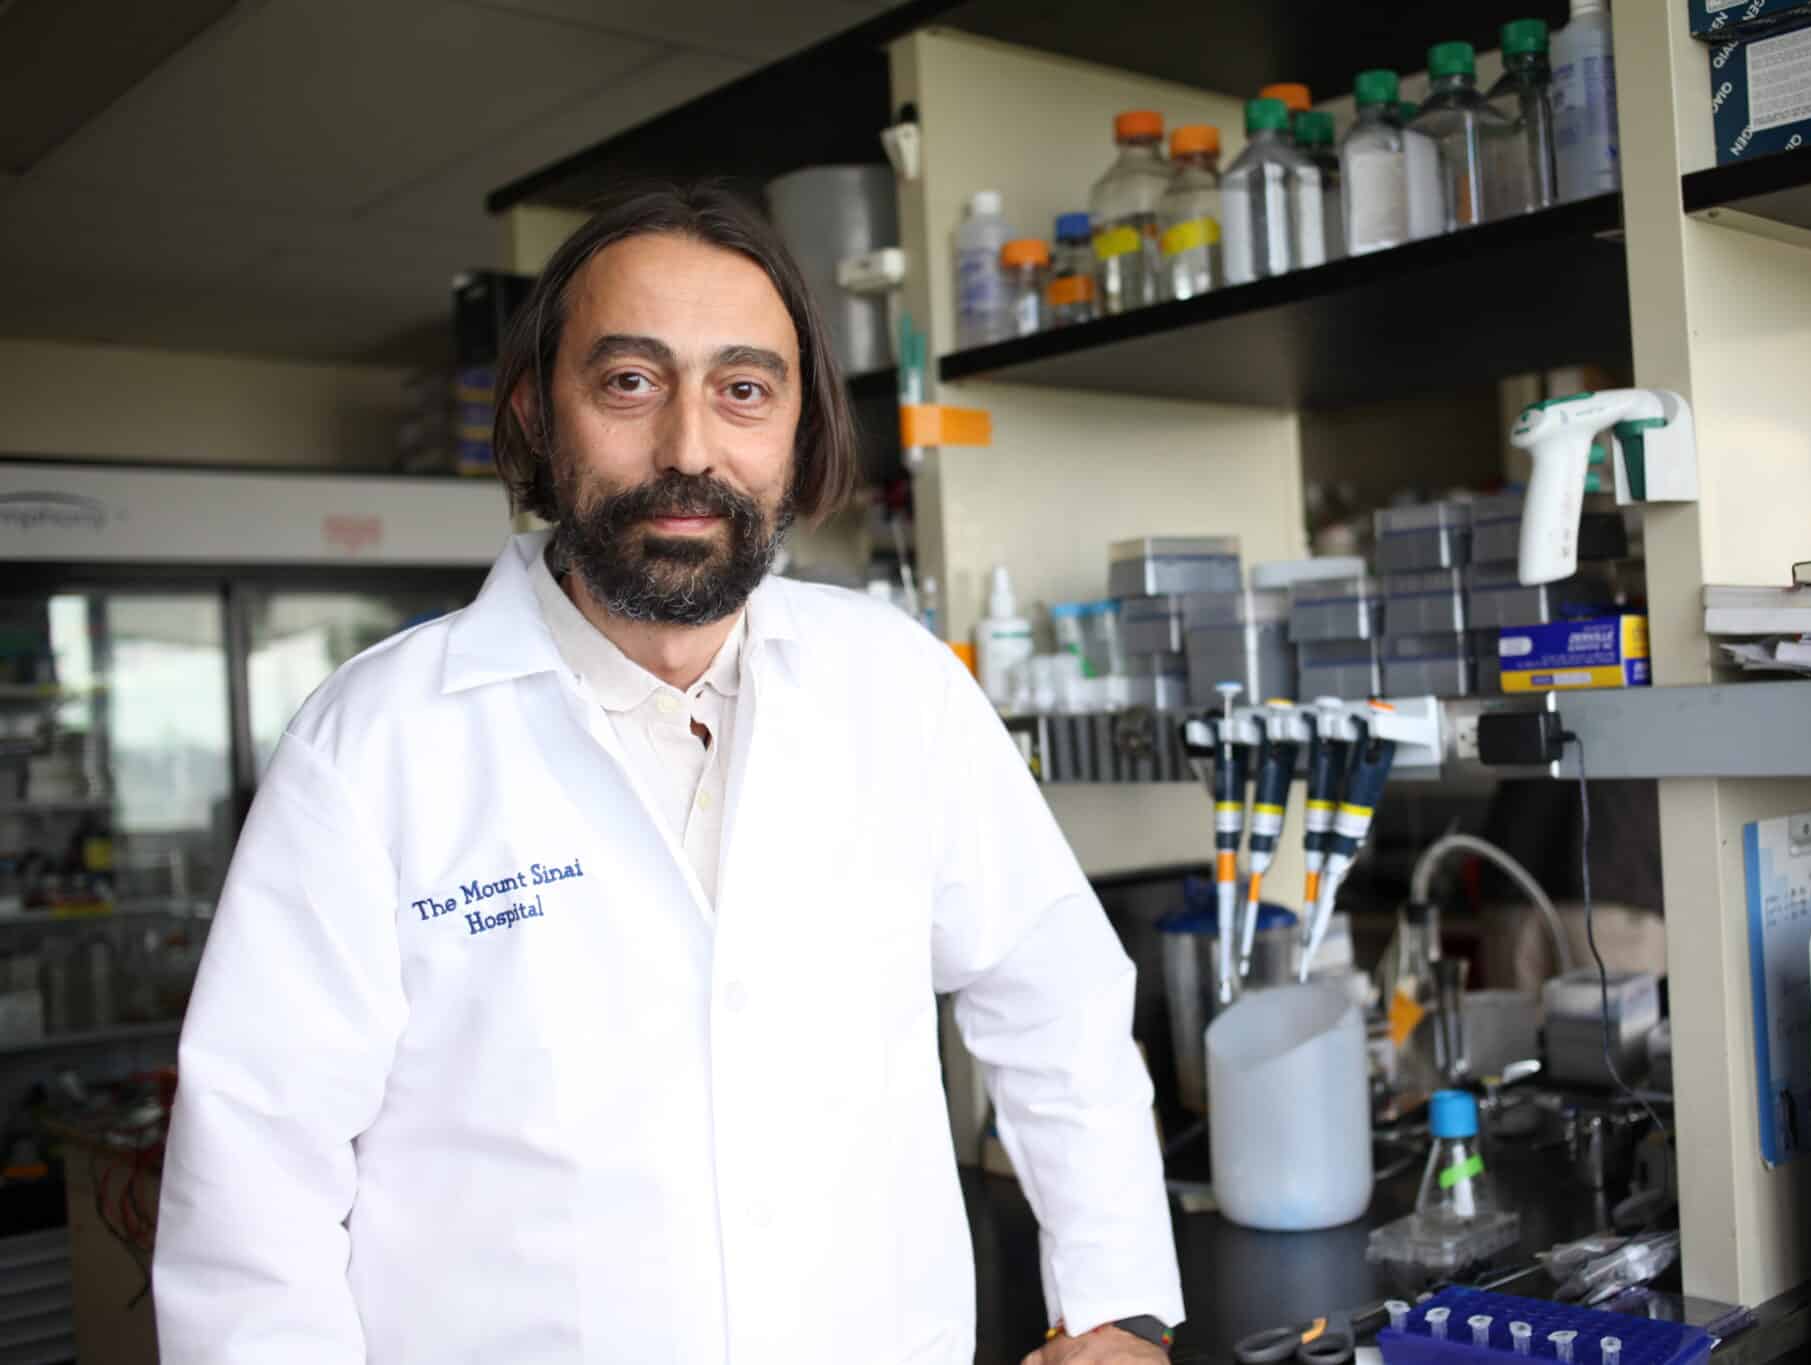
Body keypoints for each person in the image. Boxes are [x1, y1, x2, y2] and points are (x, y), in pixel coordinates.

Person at [153, 184, 1183, 1364]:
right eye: (630, 383)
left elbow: (1051, 996)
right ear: (540, 413)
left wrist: (1117, 1302)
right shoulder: (376, 741)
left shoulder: (896, 687)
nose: (690, 448)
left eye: (743, 390)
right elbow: (253, 1179)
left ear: (797, 432)